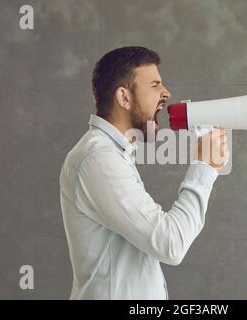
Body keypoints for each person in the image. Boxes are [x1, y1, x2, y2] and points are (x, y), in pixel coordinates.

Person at [59, 46, 229, 299]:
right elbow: (171, 244)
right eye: (154, 85)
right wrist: (204, 167)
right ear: (124, 97)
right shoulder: (99, 160)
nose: (166, 93)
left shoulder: (114, 154)